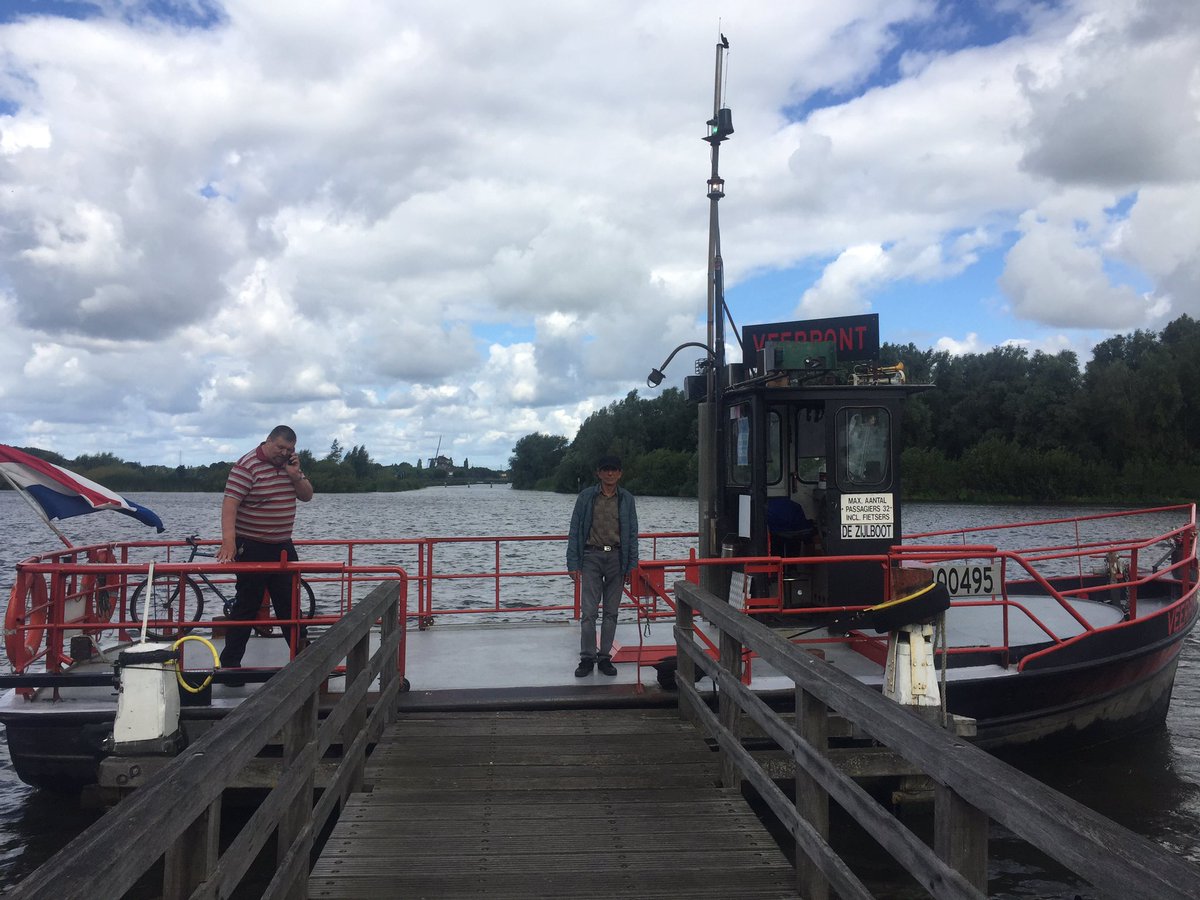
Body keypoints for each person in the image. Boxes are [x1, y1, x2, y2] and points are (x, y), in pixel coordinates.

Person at [216, 425, 315, 675]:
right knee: (247, 606)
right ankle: (230, 667)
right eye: (280, 447)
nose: (283, 453)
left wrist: (295, 475)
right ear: (268, 441)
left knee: (290, 607)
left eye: (289, 449)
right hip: (252, 545)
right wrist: (229, 542)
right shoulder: (246, 466)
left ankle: (306, 662)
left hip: (282, 545)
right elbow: (230, 504)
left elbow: (307, 496)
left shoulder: (290, 467)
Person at [566, 454, 639, 677]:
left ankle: (605, 657)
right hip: (591, 557)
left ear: (620, 473)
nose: (610, 473)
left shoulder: (626, 499)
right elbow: (575, 530)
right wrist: (572, 562)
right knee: (588, 613)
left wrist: (631, 566)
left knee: (611, 613)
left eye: (614, 469)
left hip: (617, 558)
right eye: (605, 469)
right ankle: (587, 658)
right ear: (598, 473)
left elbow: (633, 534)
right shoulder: (586, 497)